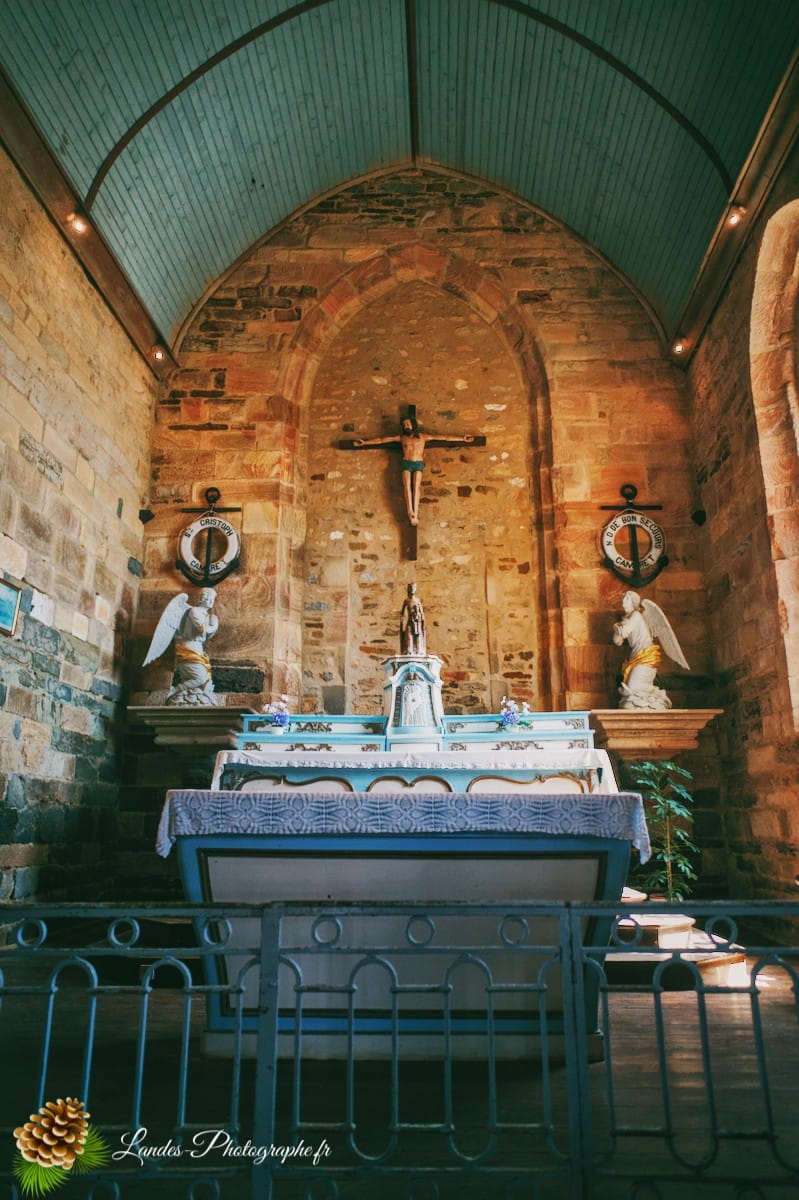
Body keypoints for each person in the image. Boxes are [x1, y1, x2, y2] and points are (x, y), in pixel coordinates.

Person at [353, 416, 475, 526]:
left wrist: (462, 439)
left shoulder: (423, 437)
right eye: (404, 425)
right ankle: (410, 511)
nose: (406, 426)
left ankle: (415, 513)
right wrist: (364, 443)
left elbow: (444, 437)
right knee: (407, 488)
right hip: (406, 463)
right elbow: (381, 440)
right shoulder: (401, 438)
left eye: (408, 424)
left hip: (418, 463)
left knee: (416, 487)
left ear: (413, 425)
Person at [612, 590, 689, 710]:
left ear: (633, 602)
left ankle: (658, 694)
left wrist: (617, 628)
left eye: (626, 599)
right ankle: (647, 695)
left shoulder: (636, 616)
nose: (623, 602)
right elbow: (617, 641)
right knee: (631, 688)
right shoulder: (628, 619)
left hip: (646, 655)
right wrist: (618, 629)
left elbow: (623, 632)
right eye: (622, 599)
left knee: (633, 687)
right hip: (636, 656)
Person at [143, 588, 220, 706]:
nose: (211, 601)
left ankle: (188, 695)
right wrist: (214, 625)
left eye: (213, 599)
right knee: (200, 679)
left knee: (204, 681)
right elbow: (202, 629)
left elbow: (207, 636)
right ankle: (175, 691)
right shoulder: (194, 611)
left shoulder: (206, 615)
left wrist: (213, 623)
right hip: (189, 647)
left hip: (198, 648)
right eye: (209, 598)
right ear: (204, 598)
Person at [399, 582, 426, 656]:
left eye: (413, 588)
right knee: (408, 636)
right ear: (408, 589)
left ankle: (418, 651)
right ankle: (409, 651)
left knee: (417, 636)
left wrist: (421, 620)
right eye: (410, 588)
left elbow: (421, 612)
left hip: (417, 623)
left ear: (415, 589)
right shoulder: (406, 601)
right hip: (410, 622)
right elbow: (402, 613)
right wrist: (402, 621)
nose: (412, 589)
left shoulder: (417, 601)